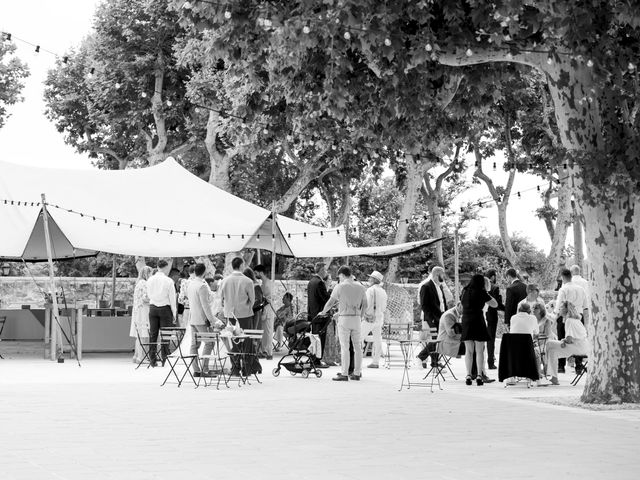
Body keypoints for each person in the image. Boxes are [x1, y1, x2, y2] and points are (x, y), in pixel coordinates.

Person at [319, 265, 367, 381]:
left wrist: (323, 312)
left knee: (345, 347)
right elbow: (365, 304)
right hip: (356, 319)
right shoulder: (361, 287)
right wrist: (360, 316)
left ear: (341, 275)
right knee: (358, 347)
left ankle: (344, 373)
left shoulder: (340, 286)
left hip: (344, 318)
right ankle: (357, 373)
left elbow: (330, 302)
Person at [460, 274, 498, 385]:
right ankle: (479, 376)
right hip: (478, 320)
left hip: (466, 320)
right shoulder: (482, 292)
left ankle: (468, 374)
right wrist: (488, 294)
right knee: (479, 350)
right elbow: (495, 304)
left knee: (469, 351)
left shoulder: (465, 291)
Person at [554, 268, 589, 373]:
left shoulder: (563, 289)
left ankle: (561, 366)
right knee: (577, 339)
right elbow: (585, 306)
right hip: (578, 316)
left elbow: (559, 305)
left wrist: (555, 315)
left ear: (562, 277)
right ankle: (578, 365)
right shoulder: (580, 289)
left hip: (565, 317)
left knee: (562, 338)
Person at [546, 301, 589, 385]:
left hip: (577, 347)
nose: (559, 309)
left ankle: (544, 372)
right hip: (581, 346)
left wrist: (563, 340)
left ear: (566, 309)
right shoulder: (576, 320)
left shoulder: (569, 320)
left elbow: (569, 339)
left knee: (548, 343)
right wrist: (564, 341)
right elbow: (572, 338)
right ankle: (554, 378)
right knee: (552, 351)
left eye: (561, 307)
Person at [188, 263, 220, 377]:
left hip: (192, 319)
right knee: (210, 343)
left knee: (194, 345)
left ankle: (196, 370)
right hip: (201, 319)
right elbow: (205, 306)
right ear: (204, 272)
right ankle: (205, 369)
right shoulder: (202, 286)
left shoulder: (190, 284)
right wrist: (213, 320)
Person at [146, 259, 177, 367]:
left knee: (153, 335)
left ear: (157, 267)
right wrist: (174, 313)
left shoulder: (150, 280)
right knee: (165, 335)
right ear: (166, 267)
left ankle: (152, 360)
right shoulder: (168, 281)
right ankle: (164, 359)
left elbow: (148, 295)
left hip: (153, 307)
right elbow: (172, 299)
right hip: (165, 309)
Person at [419, 266, 448, 367]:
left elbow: (442, 302)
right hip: (432, 318)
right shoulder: (426, 286)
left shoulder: (439, 286)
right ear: (437, 274)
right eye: (442, 274)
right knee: (436, 340)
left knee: (438, 340)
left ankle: (434, 361)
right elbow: (424, 305)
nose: (443, 276)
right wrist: (430, 318)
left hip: (441, 317)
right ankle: (422, 356)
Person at [361, 270, 388, 369]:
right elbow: (384, 307)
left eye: (370, 278)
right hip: (379, 317)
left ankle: (356, 360)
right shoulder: (383, 291)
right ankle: (376, 361)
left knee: (359, 337)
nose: (368, 279)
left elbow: (366, 304)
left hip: (370, 317)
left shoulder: (370, 290)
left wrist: (363, 314)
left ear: (373, 280)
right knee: (378, 339)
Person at [307, 262, 331, 366]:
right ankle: (317, 360)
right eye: (325, 270)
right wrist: (330, 293)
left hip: (313, 314)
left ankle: (314, 358)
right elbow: (325, 299)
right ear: (321, 270)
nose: (326, 272)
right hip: (320, 315)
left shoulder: (311, 281)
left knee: (315, 338)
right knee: (320, 338)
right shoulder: (320, 283)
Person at [130, 266, 153, 363]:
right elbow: (145, 298)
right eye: (150, 273)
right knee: (144, 334)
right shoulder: (144, 283)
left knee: (139, 334)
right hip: (143, 310)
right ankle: (141, 357)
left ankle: (136, 356)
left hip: (137, 311)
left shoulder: (139, 283)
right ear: (147, 274)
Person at [254, 264, 274, 360]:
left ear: (261, 272)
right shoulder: (264, 283)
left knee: (268, 331)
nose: (255, 274)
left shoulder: (267, 284)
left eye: (256, 273)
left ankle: (268, 352)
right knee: (265, 332)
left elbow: (267, 299)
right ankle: (264, 351)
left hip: (267, 309)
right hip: (265, 309)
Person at [484, 269, 504, 369]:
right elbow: (498, 304)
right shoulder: (495, 287)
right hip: (491, 316)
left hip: (482, 316)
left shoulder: (480, 286)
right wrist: (506, 309)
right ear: (492, 277)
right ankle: (490, 362)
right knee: (490, 339)